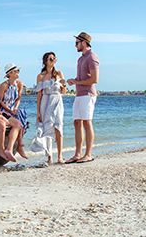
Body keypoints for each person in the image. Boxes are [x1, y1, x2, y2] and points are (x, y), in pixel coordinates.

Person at [66, 32, 100, 163]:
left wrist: (77, 82)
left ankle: (88, 154)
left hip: (88, 94)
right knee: (76, 123)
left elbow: (94, 79)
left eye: (77, 43)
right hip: (79, 94)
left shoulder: (92, 57)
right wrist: (73, 80)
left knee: (87, 122)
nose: (75, 46)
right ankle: (77, 154)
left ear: (84, 42)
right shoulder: (80, 59)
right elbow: (82, 78)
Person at [30, 52, 66, 164]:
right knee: (47, 128)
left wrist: (64, 85)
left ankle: (60, 156)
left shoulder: (59, 73)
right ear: (45, 61)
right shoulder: (40, 76)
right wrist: (38, 113)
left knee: (58, 127)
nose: (53, 60)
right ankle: (49, 156)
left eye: (54, 58)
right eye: (51, 59)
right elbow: (39, 94)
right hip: (45, 102)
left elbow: (64, 91)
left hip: (57, 100)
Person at [0, 63, 28, 159]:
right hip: (4, 109)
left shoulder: (19, 84)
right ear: (10, 73)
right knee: (18, 122)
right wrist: (9, 110)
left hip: (13, 109)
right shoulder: (4, 86)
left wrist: (15, 108)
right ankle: (18, 146)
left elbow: (18, 98)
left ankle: (18, 146)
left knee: (21, 115)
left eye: (18, 71)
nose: (18, 72)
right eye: (16, 71)